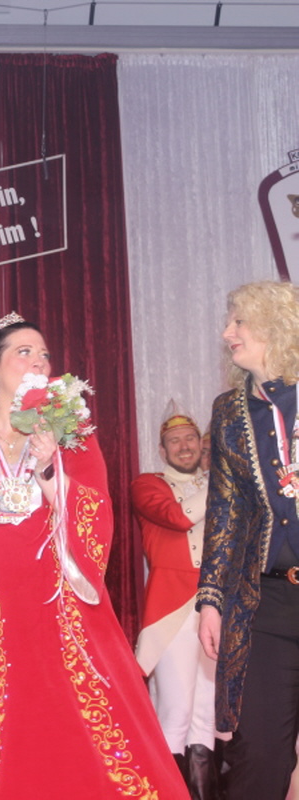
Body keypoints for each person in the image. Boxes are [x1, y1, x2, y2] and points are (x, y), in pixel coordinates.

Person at [0, 312, 187, 799]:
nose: (39, 362)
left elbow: (94, 516)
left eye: (44, 354)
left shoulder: (69, 430)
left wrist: (49, 470)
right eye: (23, 352)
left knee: (92, 725)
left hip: (62, 603)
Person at [198, 281, 299, 800]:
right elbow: (226, 510)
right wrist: (211, 599)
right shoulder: (230, 411)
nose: (227, 332)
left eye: (239, 321)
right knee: (258, 755)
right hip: (265, 602)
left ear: (275, 326)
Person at [132, 404, 217, 797]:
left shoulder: (217, 485)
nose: (184, 447)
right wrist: (222, 482)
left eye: (190, 439)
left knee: (206, 716)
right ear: (162, 451)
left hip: (218, 606)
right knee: (176, 711)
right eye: (174, 441)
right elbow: (179, 517)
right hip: (172, 610)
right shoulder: (147, 484)